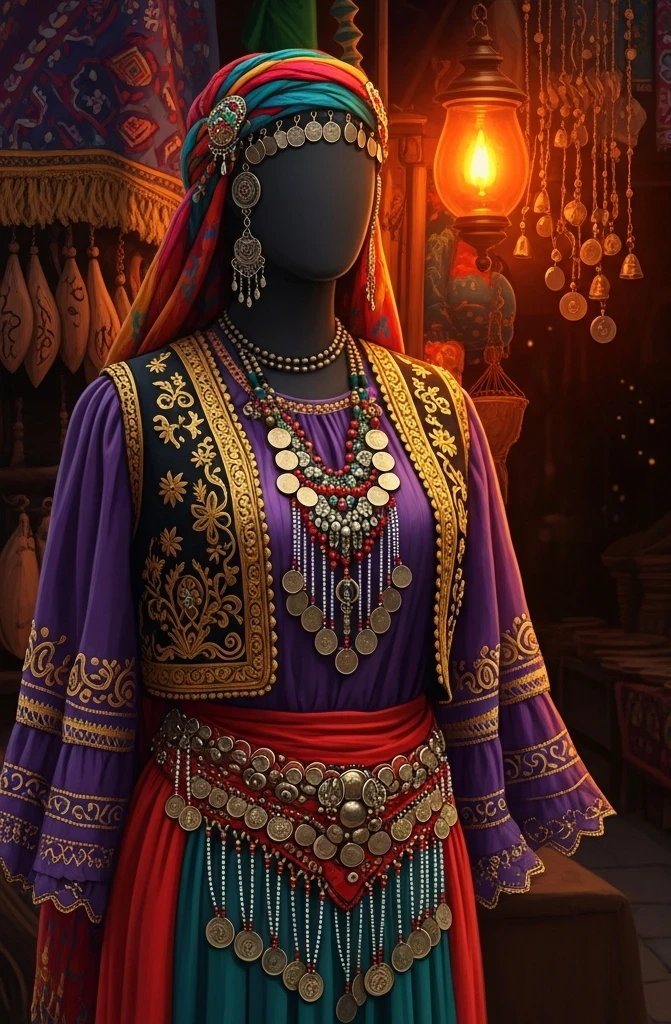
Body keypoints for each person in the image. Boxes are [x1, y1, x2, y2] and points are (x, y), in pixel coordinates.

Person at [0, 50, 611, 1024]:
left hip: (413, 875)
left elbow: (481, 643)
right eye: (302, 167)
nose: (337, 197)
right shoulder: (134, 413)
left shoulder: (439, 413)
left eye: (356, 174)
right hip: (214, 870)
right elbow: (97, 670)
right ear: (236, 187)